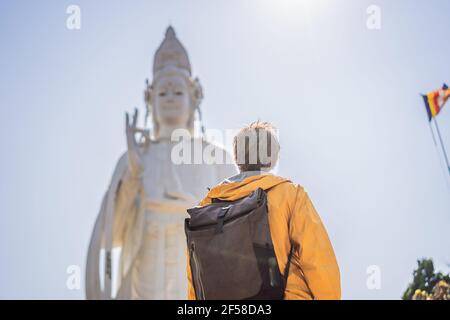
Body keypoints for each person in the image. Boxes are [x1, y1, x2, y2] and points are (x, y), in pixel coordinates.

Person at [186, 121, 341, 300]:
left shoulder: (208, 204)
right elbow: (317, 259)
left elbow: (196, 270)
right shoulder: (289, 194)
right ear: (272, 157)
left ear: (237, 158)